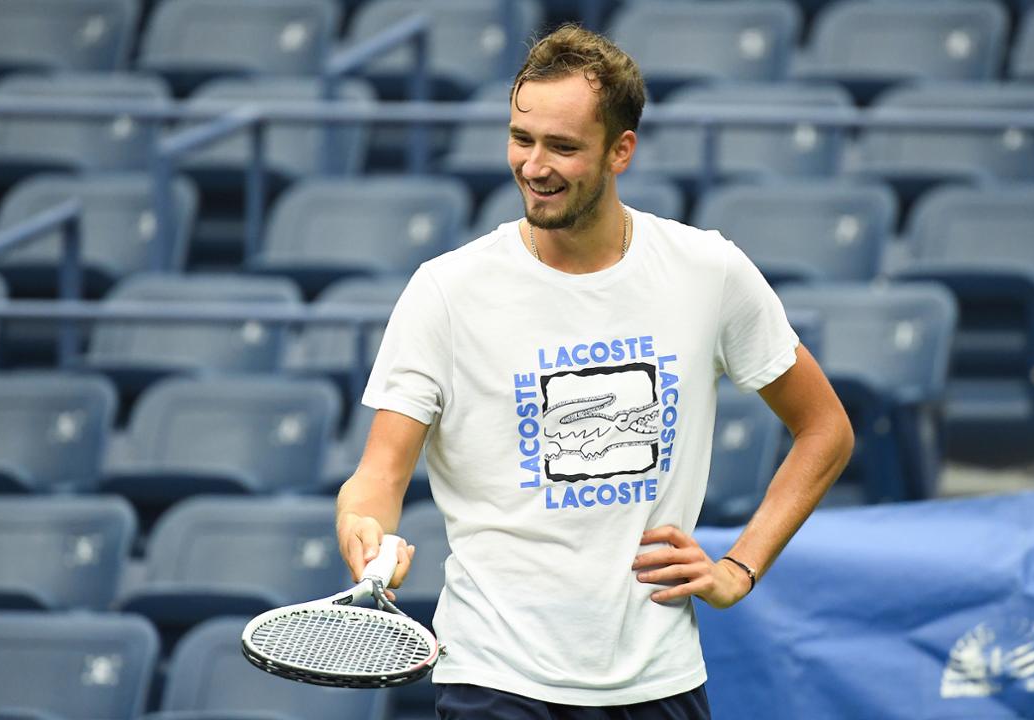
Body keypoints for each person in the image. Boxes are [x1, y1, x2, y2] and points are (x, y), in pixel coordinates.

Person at [335, 24, 854, 719]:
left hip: (658, 679)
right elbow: (380, 475)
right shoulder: (445, 290)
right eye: (522, 138)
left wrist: (740, 567)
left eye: (563, 147)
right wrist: (363, 526)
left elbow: (825, 430)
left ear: (621, 151)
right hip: (495, 674)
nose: (534, 165)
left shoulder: (708, 270)